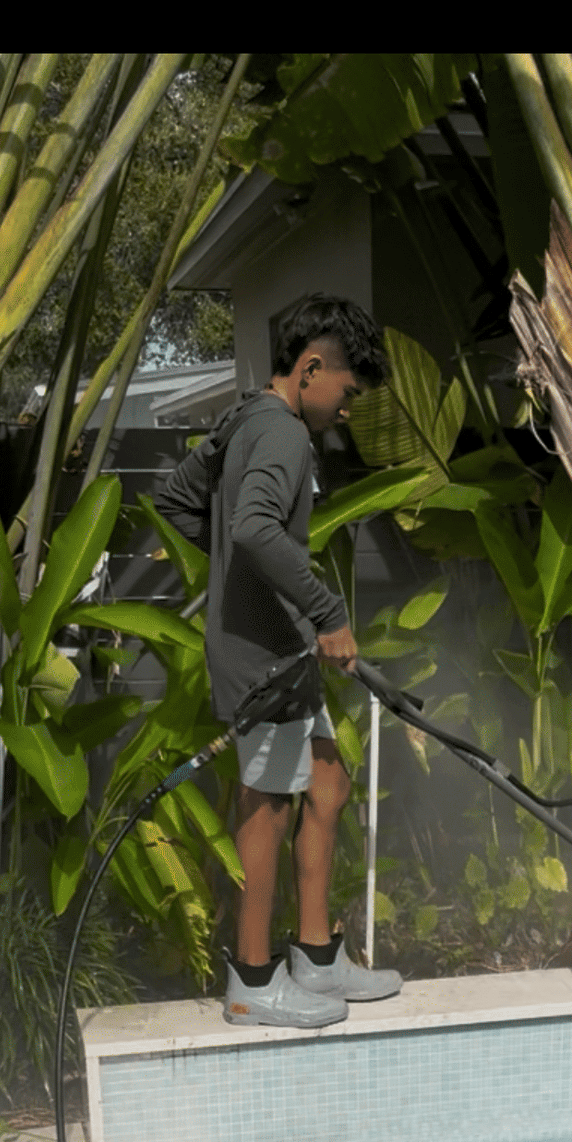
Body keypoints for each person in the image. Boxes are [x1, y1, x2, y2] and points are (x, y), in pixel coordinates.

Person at [155, 292, 403, 1028]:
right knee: (266, 805)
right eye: (349, 391)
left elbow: (177, 499)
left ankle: (318, 962)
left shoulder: (246, 419)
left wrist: (236, 559)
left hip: (273, 644)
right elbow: (257, 525)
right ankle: (254, 979)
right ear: (312, 367)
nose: (350, 408)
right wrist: (326, 611)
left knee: (326, 782)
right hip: (263, 653)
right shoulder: (286, 435)